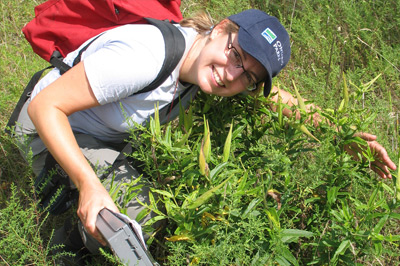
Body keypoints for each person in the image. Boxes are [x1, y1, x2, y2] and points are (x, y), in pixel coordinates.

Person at [13, 8, 396, 260]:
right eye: (237, 55)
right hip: (46, 127)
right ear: (220, 30)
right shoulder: (145, 56)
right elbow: (45, 106)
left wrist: (341, 134)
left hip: (101, 138)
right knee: (134, 214)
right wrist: (89, 183)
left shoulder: (203, 67)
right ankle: (57, 240)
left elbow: (280, 100)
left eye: (248, 77)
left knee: (152, 209)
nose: (232, 74)